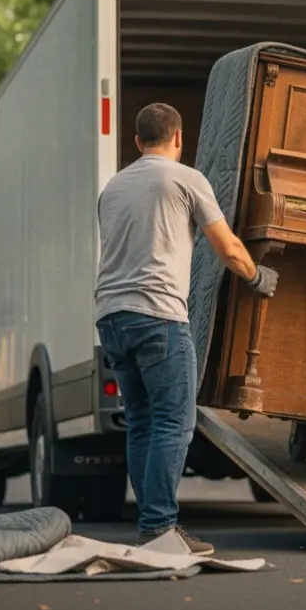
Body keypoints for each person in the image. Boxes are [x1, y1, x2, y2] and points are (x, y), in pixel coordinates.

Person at [95, 102, 279, 556]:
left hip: (111, 317)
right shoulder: (185, 178)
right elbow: (229, 248)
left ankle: (151, 527)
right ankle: (160, 528)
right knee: (175, 422)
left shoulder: (113, 187)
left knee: (140, 422)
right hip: (157, 315)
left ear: (138, 143)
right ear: (178, 139)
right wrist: (258, 277)